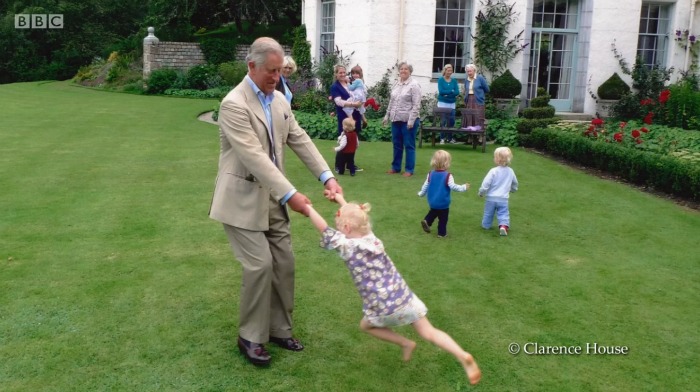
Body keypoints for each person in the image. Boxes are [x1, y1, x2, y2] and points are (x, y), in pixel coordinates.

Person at [209, 37, 343, 367]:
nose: (275, 77)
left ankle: (280, 329)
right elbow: (254, 158)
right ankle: (250, 337)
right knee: (260, 265)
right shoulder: (233, 104)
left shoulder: (280, 100)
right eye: (270, 71)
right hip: (240, 200)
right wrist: (292, 195)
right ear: (250, 67)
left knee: (284, 264)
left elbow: (300, 139)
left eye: (279, 70)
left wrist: (327, 176)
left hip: (272, 199)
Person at [304, 194, 481, 386]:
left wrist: (308, 209)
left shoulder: (347, 246)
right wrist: (340, 199)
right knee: (429, 331)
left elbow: (324, 229)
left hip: (382, 306)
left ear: (346, 228)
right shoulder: (372, 239)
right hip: (405, 298)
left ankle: (405, 343)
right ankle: (462, 355)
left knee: (366, 326)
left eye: (340, 227)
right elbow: (355, 217)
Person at [417, 150, 469, 238]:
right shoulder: (448, 175)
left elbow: (425, 185)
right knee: (443, 218)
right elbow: (453, 186)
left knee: (433, 212)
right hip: (443, 202)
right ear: (447, 163)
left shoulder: (430, 174)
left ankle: (427, 221)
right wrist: (463, 187)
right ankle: (441, 233)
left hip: (432, 201)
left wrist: (421, 193)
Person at [382, 61, 422, 177]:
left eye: (406, 69)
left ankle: (409, 169)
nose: (403, 71)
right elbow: (392, 101)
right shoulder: (397, 83)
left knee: (409, 145)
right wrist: (387, 116)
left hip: (408, 121)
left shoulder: (414, 85)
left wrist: (411, 120)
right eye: (401, 69)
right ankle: (396, 167)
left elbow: (416, 105)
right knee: (397, 144)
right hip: (396, 119)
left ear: (410, 71)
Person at [330, 64, 364, 172]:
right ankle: (338, 165)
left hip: (355, 115)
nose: (343, 74)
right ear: (336, 74)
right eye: (340, 73)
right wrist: (353, 104)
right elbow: (338, 101)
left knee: (353, 140)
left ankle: (350, 164)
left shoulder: (350, 83)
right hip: (344, 117)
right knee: (344, 139)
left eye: (344, 72)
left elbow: (359, 94)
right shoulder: (335, 87)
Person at [478, 146, 518, 236]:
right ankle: (503, 226)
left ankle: (486, 225)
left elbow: (486, 183)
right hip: (503, 199)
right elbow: (515, 183)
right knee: (503, 213)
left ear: (497, 159)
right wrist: (513, 189)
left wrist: (481, 192)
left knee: (488, 212)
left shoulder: (493, 171)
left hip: (491, 198)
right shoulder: (510, 171)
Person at [464, 64, 489, 144]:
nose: (469, 73)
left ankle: (480, 137)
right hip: (469, 100)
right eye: (467, 71)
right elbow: (466, 89)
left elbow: (487, 89)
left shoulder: (480, 78)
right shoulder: (466, 79)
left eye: (470, 71)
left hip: (478, 100)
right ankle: (470, 137)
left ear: (474, 71)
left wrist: (479, 94)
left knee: (479, 117)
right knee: (470, 117)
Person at [437, 64, 460, 144]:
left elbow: (457, 92)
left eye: (451, 70)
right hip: (442, 103)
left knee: (451, 121)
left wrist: (448, 94)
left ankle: (450, 138)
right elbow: (441, 91)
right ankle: (442, 138)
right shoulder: (440, 80)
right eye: (448, 70)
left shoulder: (454, 81)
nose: (450, 72)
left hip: (452, 103)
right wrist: (451, 91)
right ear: (445, 71)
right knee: (443, 121)